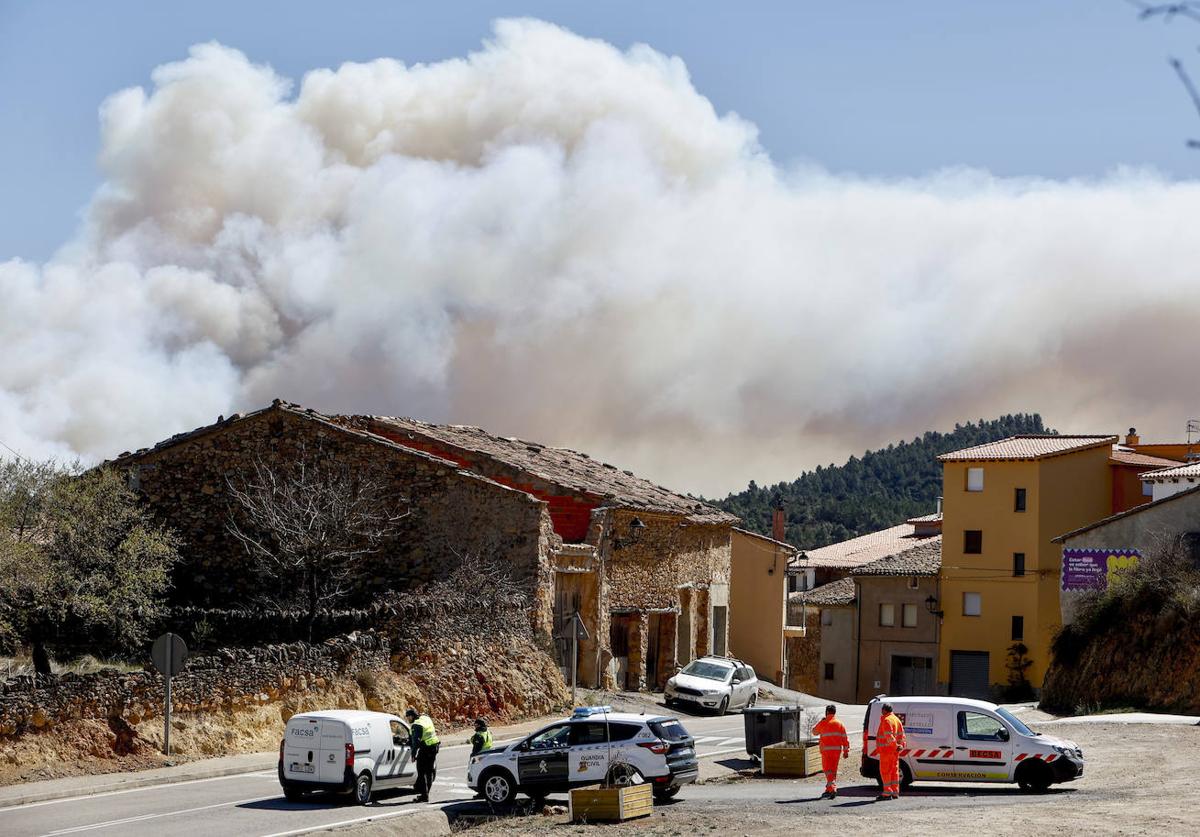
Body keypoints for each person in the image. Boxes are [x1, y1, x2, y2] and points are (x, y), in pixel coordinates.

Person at [812, 704, 850, 799]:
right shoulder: (839, 723)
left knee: (827, 770)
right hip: (837, 751)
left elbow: (814, 732)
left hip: (826, 751)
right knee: (833, 771)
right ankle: (829, 789)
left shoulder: (824, 722)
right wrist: (846, 751)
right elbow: (845, 738)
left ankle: (832, 788)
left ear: (827, 712)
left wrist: (821, 721)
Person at [406, 707, 440, 802]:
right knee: (429, 771)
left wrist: (413, 754)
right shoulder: (425, 718)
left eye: (408, 717)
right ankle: (426, 794)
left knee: (421, 772)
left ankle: (424, 796)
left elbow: (416, 742)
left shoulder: (416, 725)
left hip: (426, 748)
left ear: (412, 716)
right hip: (434, 746)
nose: (408, 719)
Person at [875, 702, 907, 801]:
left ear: (884, 710)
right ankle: (895, 792)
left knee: (885, 772)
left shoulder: (887, 720)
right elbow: (902, 736)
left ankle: (887, 793)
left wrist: (895, 746)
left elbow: (889, 736)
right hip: (895, 753)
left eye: (882, 710)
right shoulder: (897, 720)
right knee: (894, 772)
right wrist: (901, 746)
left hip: (887, 751)